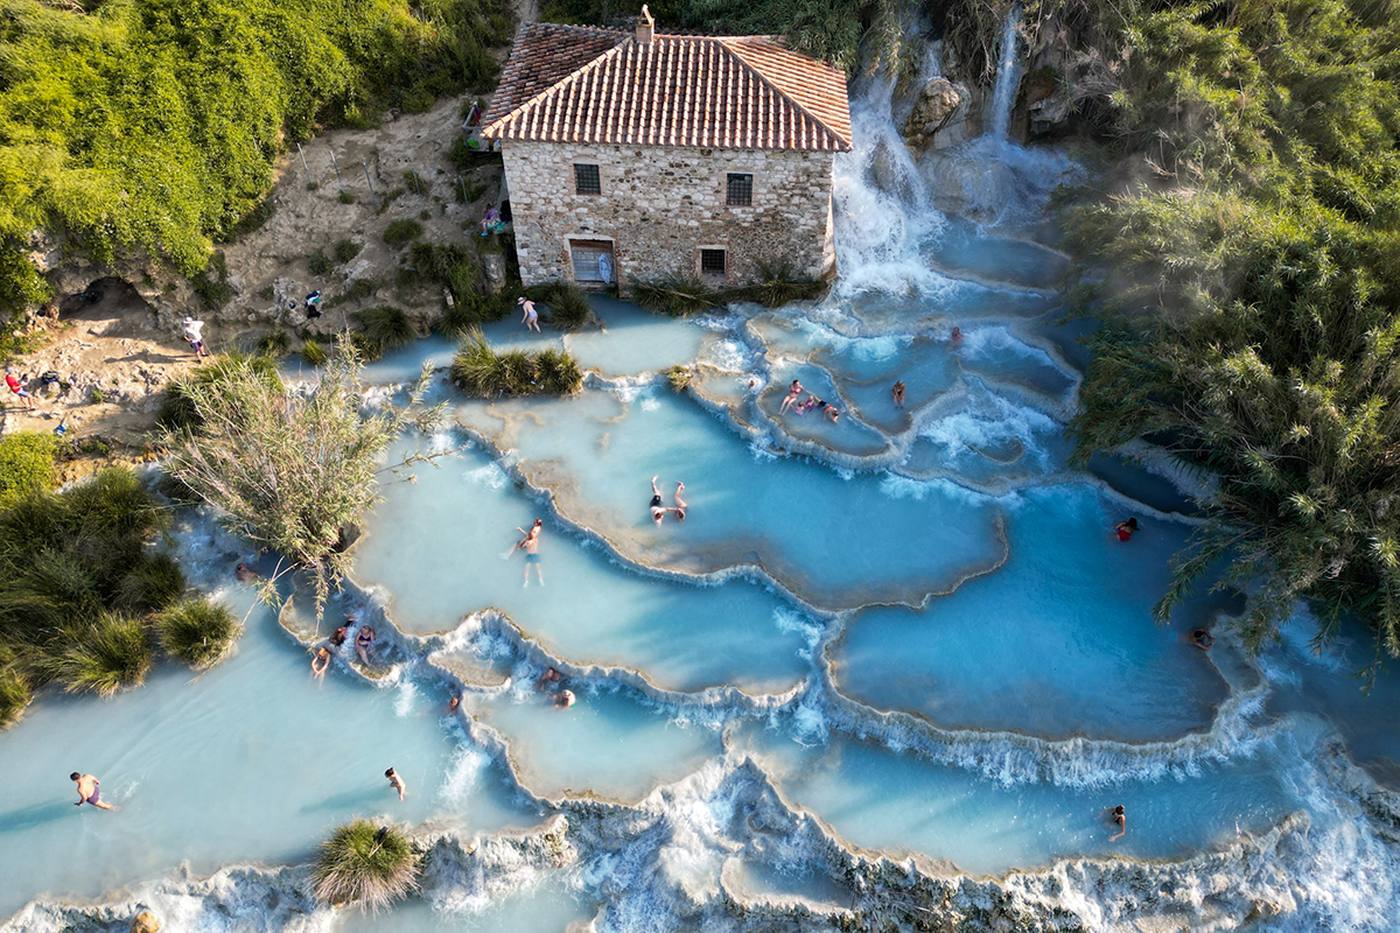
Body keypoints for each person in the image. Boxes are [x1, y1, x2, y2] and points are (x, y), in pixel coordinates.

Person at [516, 518, 544, 587]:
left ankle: (526, 581)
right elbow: (528, 535)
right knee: (538, 569)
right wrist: (521, 530)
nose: (532, 532)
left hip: (530, 555)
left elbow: (523, 546)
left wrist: (519, 546)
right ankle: (540, 580)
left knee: (527, 569)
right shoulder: (536, 539)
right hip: (535, 554)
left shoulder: (528, 542)